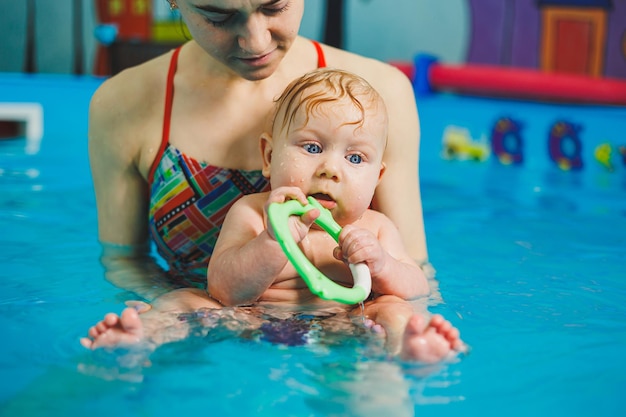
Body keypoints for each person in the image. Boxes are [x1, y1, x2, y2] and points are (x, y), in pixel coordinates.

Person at [82, 68, 464, 363]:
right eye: (312, 147)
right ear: (268, 158)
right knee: (185, 300)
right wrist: (272, 241)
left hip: (347, 321)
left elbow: (415, 286)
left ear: (377, 177)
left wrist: (380, 264)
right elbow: (224, 290)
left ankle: (409, 346)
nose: (332, 169)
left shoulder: (375, 227)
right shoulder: (251, 213)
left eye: (355, 158)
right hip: (251, 319)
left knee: (394, 308)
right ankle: (142, 335)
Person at [88, 0, 433, 301]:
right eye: (217, 16)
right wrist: (183, 317)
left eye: (275, 6)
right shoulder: (122, 104)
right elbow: (124, 263)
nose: (256, 42)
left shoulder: (378, 97)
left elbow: (414, 277)